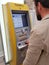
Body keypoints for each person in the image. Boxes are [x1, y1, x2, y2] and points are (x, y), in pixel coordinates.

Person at [23, 0, 49, 65]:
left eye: (35, 6)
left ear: (39, 5)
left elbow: (29, 63)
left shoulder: (38, 30)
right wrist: (34, 43)